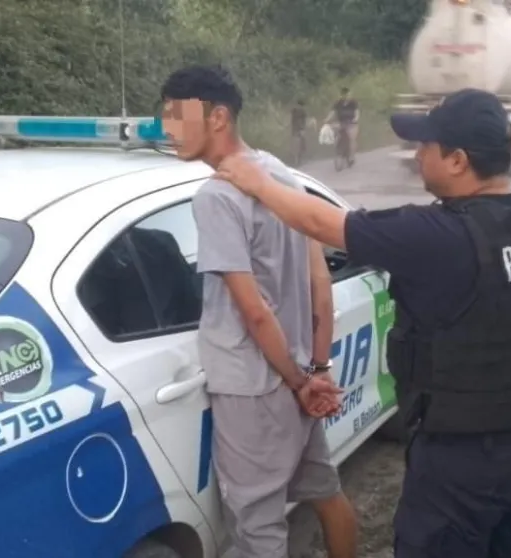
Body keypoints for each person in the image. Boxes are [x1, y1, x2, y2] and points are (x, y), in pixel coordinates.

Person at [213, 88, 511, 558]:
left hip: (461, 465)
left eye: (427, 145)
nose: (417, 154)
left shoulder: (442, 237)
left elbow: (325, 223)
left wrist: (258, 183)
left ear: (458, 160)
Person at [159, 64, 360, 558]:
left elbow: (254, 312)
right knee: (326, 495)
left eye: (175, 115)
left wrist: (298, 381)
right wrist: (314, 370)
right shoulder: (278, 172)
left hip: (253, 389)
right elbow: (320, 282)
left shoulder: (216, 197)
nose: (167, 128)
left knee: (257, 529)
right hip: (295, 378)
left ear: (218, 117)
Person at [325, 88, 359, 165]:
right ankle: (338, 150)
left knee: (352, 139)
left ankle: (351, 156)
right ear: (341, 95)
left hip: (351, 123)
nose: (346, 96)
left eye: (348, 95)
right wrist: (327, 119)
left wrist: (355, 119)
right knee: (336, 133)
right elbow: (332, 112)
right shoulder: (338, 103)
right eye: (344, 95)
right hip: (341, 122)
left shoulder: (353, 102)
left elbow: (357, 112)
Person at [291, 99, 309, 165]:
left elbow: (292, 119)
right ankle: (301, 154)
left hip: (295, 129)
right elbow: (304, 121)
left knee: (295, 142)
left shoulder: (294, 110)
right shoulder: (303, 110)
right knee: (302, 142)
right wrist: (304, 128)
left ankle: (296, 158)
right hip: (300, 129)